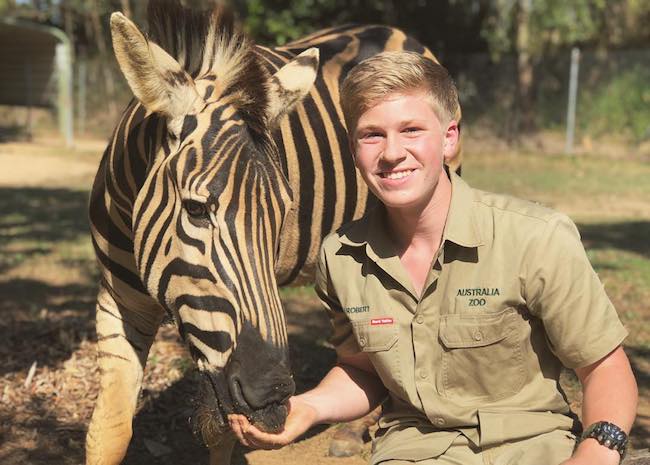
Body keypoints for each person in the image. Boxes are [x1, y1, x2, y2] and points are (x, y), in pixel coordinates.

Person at [228, 51, 638, 465]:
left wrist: (596, 453)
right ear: (353, 149)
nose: (392, 153)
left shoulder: (536, 237)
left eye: (411, 130)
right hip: (413, 452)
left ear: (449, 138)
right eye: (372, 135)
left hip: (530, 447)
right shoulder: (340, 258)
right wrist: (311, 407)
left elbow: (604, 368)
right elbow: (364, 370)